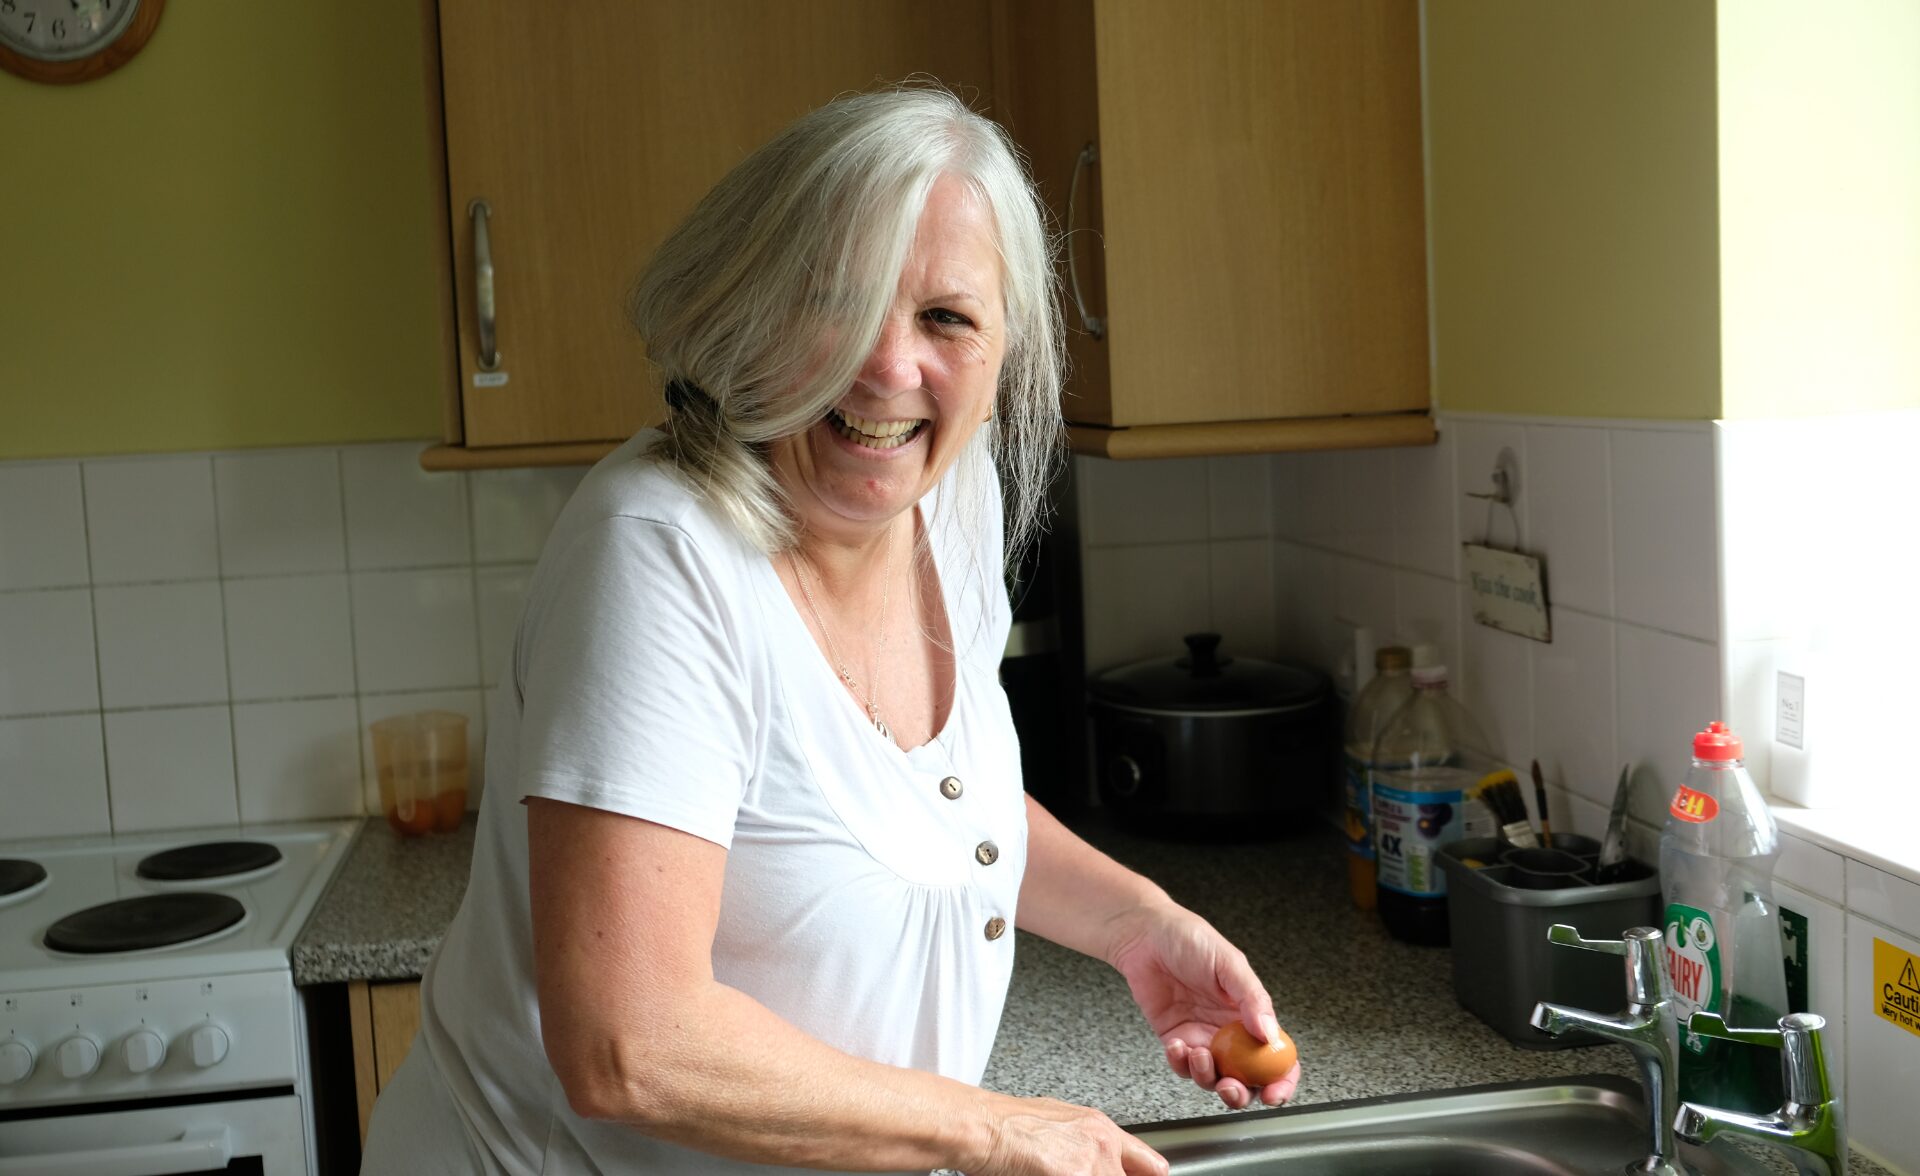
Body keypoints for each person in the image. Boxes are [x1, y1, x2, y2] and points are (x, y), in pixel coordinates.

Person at [361, 85, 1299, 1176]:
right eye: (835, 304)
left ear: (1006, 352)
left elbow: (912, 813)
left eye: (946, 317)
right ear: (746, 310)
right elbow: (628, 1046)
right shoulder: (660, 553)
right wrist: (988, 1124)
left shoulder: (948, 500)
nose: (888, 368)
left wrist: (1138, 925)